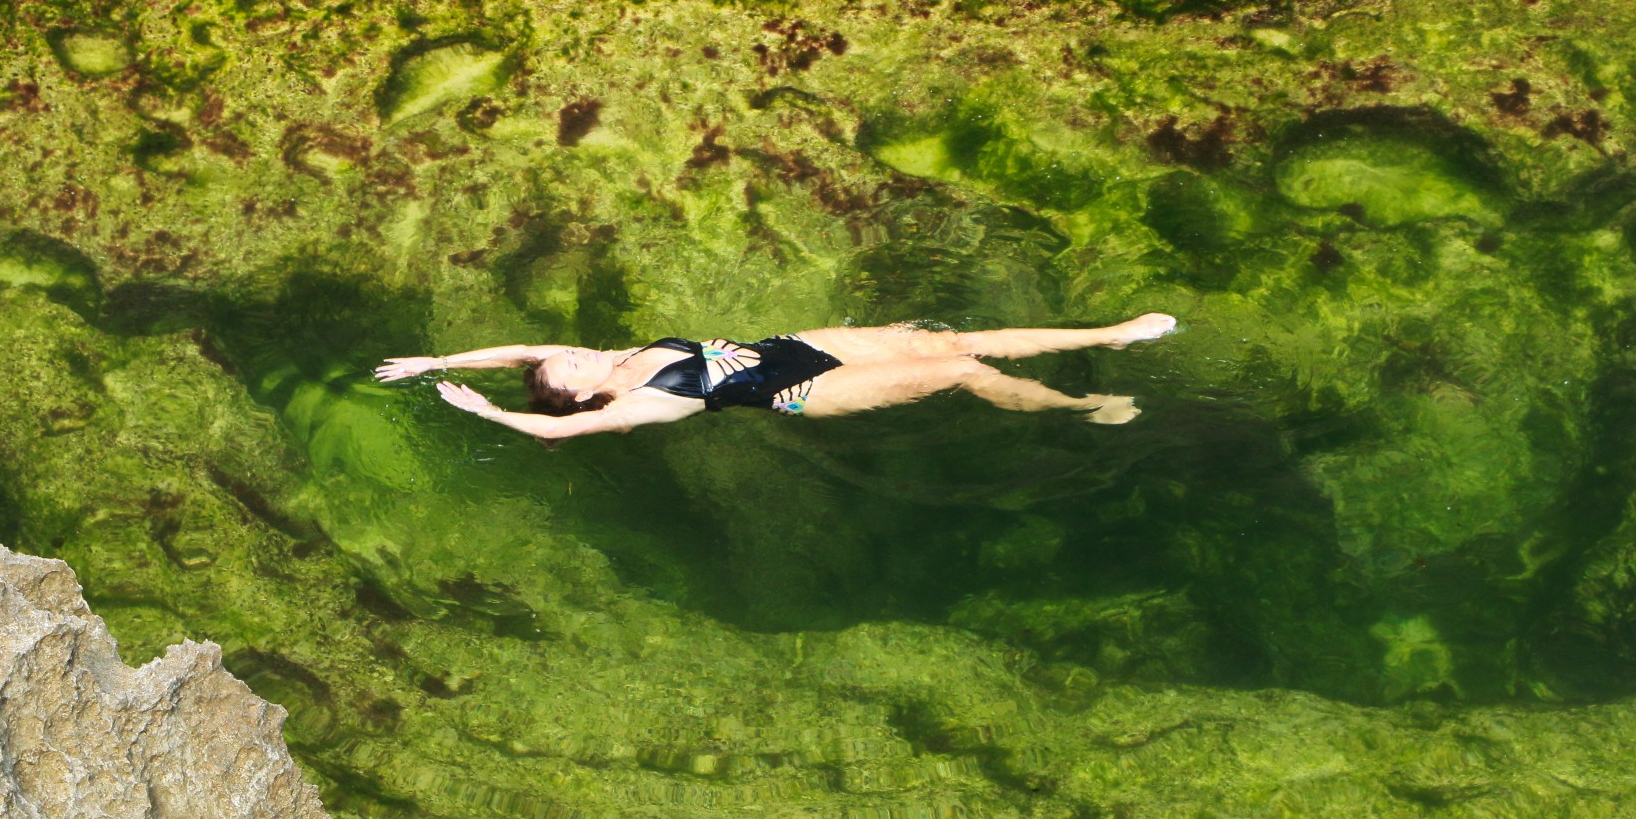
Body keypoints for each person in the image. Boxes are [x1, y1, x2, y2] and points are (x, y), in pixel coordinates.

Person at [373, 315, 1177, 442]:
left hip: (788, 344)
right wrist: (485, 413)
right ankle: (1083, 405)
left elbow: (520, 354)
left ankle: (1114, 332)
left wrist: (436, 360)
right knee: (961, 369)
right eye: (568, 367)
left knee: (947, 336)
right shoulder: (631, 406)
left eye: (567, 353)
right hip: (798, 392)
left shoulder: (613, 361)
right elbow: (551, 424)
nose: (570, 354)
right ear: (581, 392)